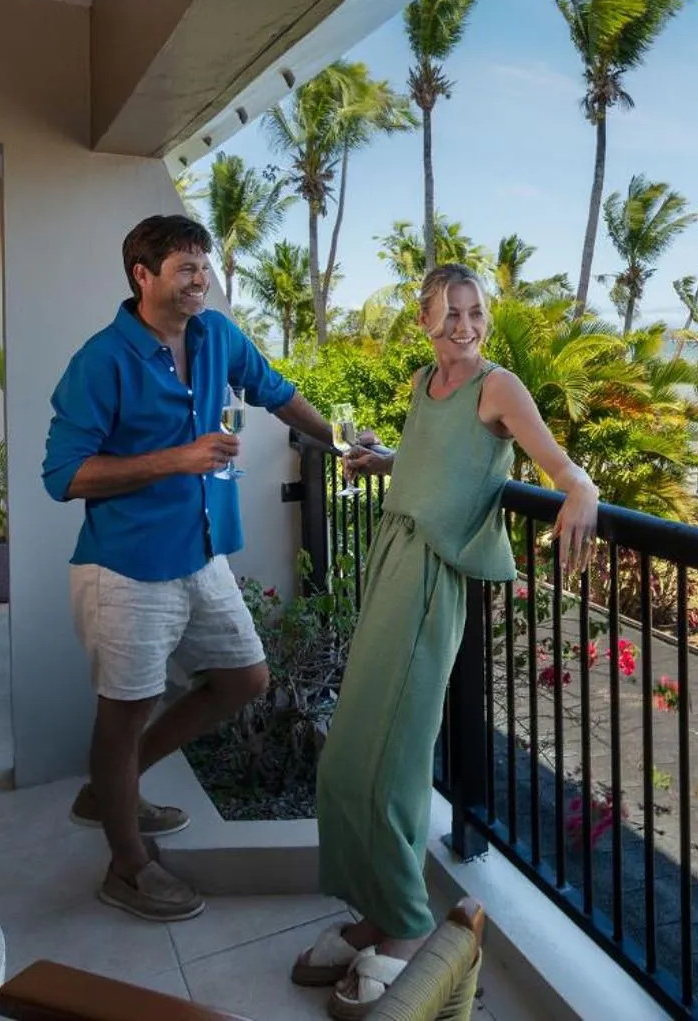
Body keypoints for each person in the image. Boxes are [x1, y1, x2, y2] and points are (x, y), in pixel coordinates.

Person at [292, 263, 598, 1016]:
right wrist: (387, 462)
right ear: (424, 321)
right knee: (348, 754)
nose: (465, 325)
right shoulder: (424, 383)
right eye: (450, 312)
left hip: (432, 579)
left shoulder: (499, 387)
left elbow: (559, 466)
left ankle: (404, 923)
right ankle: (373, 910)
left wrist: (583, 489)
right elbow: (440, 463)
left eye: (475, 311)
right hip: (390, 560)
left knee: (393, 759)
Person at [42, 213, 334, 922]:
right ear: (142, 276)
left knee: (244, 679)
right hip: (127, 567)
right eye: (185, 267)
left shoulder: (216, 337)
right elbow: (64, 475)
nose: (201, 278)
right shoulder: (100, 360)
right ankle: (127, 867)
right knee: (124, 714)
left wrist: (341, 440)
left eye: (204, 265)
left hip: (203, 554)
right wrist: (177, 459)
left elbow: (275, 389)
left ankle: (112, 787)